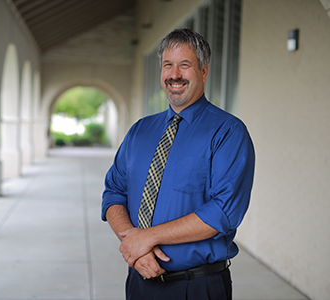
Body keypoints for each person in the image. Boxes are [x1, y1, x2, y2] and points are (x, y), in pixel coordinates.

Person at [101, 29, 255, 300]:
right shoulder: (140, 131)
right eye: (167, 65)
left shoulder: (228, 132)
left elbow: (223, 211)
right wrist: (134, 246)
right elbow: (114, 192)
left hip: (196, 286)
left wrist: (146, 237)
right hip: (139, 280)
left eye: (185, 65)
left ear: (204, 72)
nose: (174, 75)